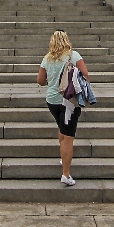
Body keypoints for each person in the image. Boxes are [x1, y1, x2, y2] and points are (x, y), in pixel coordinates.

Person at [37, 30, 90, 187]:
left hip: (52, 100)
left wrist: (52, 81)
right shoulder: (74, 56)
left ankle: (63, 156)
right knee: (68, 136)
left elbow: (40, 80)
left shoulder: (47, 58)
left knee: (62, 127)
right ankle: (66, 174)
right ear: (67, 40)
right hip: (70, 100)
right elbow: (86, 75)